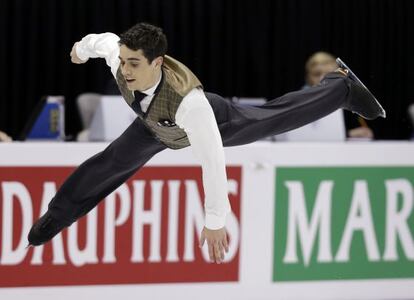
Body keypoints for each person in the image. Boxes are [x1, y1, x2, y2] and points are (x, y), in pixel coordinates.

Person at [28, 22, 385, 264]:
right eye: (123, 62)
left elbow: (212, 160)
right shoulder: (118, 59)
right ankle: (57, 216)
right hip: (154, 126)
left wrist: (216, 219)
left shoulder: (190, 103)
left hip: (215, 122)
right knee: (110, 161)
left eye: (134, 64)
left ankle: (340, 87)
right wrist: (79, 49)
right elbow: (100, 40)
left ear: (158, 62)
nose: (126, 71)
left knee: (273, 117)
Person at [304, 51, 374, 139]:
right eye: (317, 74)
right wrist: (348, 134)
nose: (322, 78)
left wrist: (364, 133)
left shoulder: (350, 105)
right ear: (308, 77)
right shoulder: (299, 101)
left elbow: (365, 132)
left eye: (329, 74)